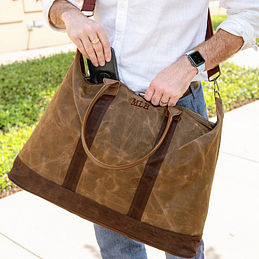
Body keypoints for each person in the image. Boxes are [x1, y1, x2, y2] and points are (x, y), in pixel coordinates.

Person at [42, 0, 259, 258]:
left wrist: (190, 64)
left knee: (178, 243)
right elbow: (53, 4)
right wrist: (70, 15)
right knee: (115, 245)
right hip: (105, 102)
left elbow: (250, 13)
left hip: (179, 109)